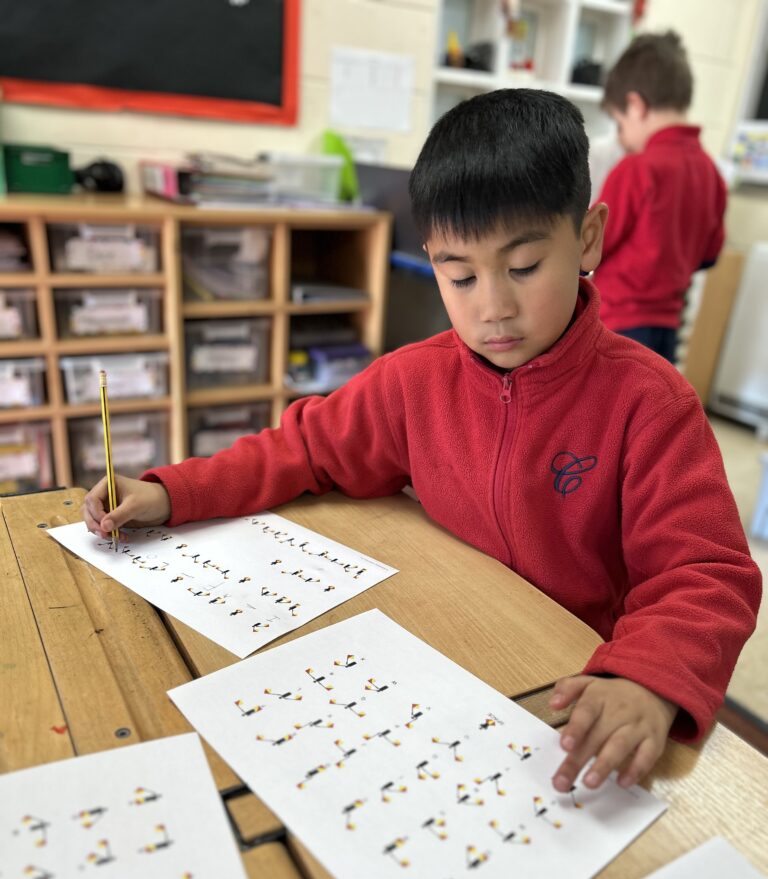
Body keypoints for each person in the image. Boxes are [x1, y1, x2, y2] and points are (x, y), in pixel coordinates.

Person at [84, 89, 760, 798]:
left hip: (569, 683)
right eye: (459, 275)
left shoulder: (650, 405)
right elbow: (305, 448)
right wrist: (173, 491)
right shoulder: (413, 380)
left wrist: (645, 679)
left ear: (588, 237)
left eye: (523, 267)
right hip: (439, 656)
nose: (492, 306)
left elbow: (707, 574)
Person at [591, 31, 727, 362]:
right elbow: (709, 255)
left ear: (636, 106)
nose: (621, 139)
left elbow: (591, 246)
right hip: (667, 331)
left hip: (616, 326)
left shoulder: (636, 169)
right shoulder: (711, 172)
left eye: (619, 124)